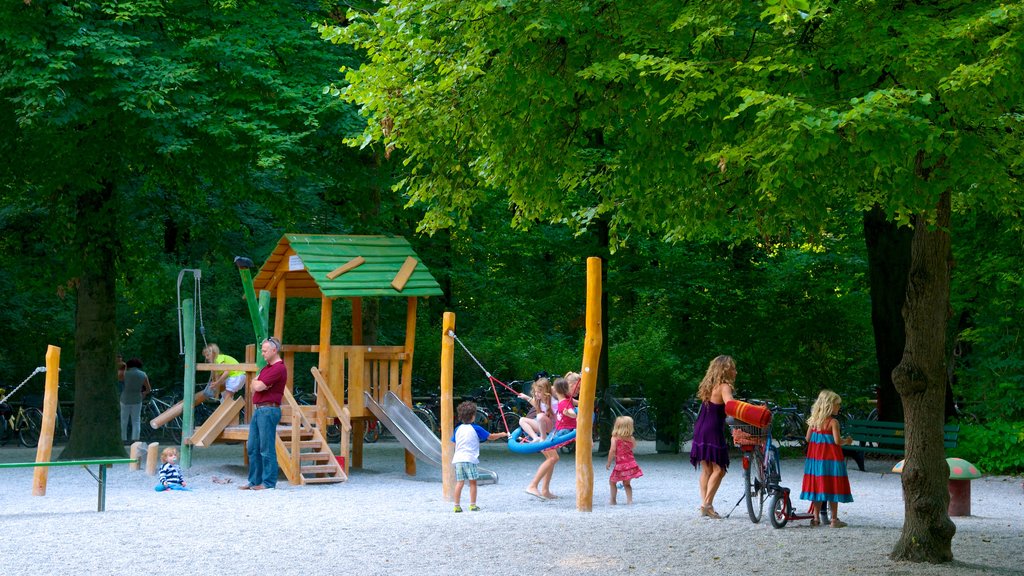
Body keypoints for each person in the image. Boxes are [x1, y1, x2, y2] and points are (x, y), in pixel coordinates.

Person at [689, 355, 736, 519]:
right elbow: (731, 406)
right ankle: (707, 504)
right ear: (725, 370)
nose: (735, 372)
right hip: (713, 429)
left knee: (707, 469)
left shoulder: (709, 385)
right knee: (719, 469)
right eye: (733, 368)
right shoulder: (724, 386)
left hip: (700, 428)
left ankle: (705, 504)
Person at [800, 389, 854, 527]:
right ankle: (834, 520)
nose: (839, 407)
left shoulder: (814, 421)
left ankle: (816, 518)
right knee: (833, 486)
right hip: (832, 459)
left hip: (816, 460)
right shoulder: (833, 422)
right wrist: (847, 441)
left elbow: (807, 438)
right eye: (837, 404)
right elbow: (837, 441)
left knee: (818, 488)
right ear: (829, 405)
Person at [240, 337, 287, 491]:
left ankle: (268, 482)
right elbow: (256, 385)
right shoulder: (267, 368)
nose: (262, 354)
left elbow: (258, 386)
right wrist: (257, 383)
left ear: (274, 350)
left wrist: (258, 383)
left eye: (265, 351)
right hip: (260, 409)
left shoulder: (279, 368)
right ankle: (254, 481)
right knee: (253, 446)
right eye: (262, 350)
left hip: (268, 410)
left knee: (266, 448)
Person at [451, 401, 508, 512]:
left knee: (460, 483)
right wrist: (502, 434)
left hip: (458, 459)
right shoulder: (476, 428)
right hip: (470, 459)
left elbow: (454, 442)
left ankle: (456, 506)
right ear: (473, 416)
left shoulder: (457, 429)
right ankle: (472, 505)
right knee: (472, 482)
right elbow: (490, 437)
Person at [525, 377, 576, 500]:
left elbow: (574, 402)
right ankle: (532, 485)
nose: (578, 390)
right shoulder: (556, 396)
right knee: (553, 457)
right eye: (577, 387)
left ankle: (545, 490)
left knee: (553, 458)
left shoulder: (559, 398)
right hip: (547, 434)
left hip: (549, 432)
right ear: (568, 386)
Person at [606, 415, 643, 505]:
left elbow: (612, 450)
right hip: (631, 463)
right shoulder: (631, 438)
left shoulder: (614, 438)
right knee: (626, 484)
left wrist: (609, 462)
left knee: (612, 481)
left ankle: (613, 500)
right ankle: (629, 501)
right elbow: (633, 446)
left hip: (621, 464)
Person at [120, 358, 151, 444]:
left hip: (125, 398)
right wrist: (143, 394)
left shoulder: (125, 374)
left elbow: (119, 379)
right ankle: (135, 439)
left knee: (123, 420)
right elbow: (148, 389)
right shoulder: (143, 374)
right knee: (136, 420)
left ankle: (123, 439)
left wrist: (124, 368)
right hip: (137, 398)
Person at [516, 377, 554, 442]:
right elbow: (535, 405)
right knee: (522, 420)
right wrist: (525, 397)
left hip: (552, 426)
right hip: (543, 426)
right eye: (535, 392)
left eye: (539, 392)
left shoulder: (551, 400)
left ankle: (543, 438)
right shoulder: (540, 401)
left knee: (540, 416)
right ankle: (535, 437)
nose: (536, 394)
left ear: (545, 391)